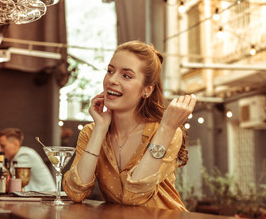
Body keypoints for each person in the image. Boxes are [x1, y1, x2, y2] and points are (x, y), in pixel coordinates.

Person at [63, 40, 196, 210]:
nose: (112, 80)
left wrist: (167, 129)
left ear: (147, 90)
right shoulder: (91, 132)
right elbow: (75, 192)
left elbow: (135, 197)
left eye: (126, 75)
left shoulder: (166, 132)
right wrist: (100, 129)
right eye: (110, 71)